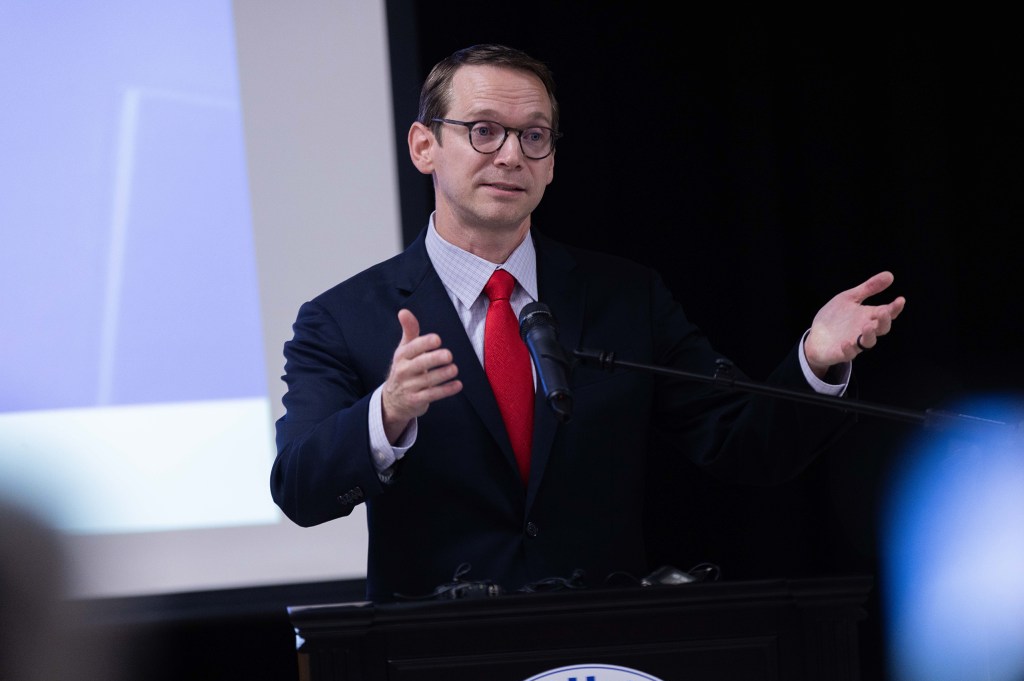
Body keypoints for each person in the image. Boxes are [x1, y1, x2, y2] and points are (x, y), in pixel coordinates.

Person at [270, 43, 905, 603]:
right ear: (423, 145)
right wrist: (388, 411)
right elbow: (298, 488)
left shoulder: (624, 296)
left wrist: (816, 361)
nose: (512, 155)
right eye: (485, 130)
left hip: (600, 650)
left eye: (534, 136)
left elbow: (741, 443)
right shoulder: (343, 319)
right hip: (434, 652)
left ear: (551, 158)